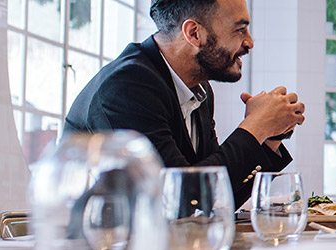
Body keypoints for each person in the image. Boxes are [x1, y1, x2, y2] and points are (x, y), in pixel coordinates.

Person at [63, 0, 303, 203]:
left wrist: (269, 137)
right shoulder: (127, 86)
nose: (249, 42)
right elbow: (176, 199)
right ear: (194, 33)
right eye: (240, 30)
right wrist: (255, 126)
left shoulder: (200, 90)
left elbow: (214, 197)